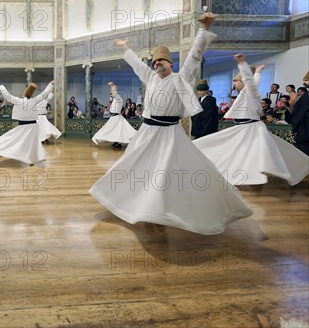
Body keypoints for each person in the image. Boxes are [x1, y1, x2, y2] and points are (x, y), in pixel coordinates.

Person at [89, 13, 252, 235]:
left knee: (167, 172)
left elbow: (194, 57)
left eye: (161, 61)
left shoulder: (180, 77)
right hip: (147, 131)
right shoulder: (151, 77)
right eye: (155, 61)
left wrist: (203, 31)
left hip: (170, 133)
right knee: (134, 166)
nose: (157, 64)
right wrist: (125, 48)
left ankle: (164, 209)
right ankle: (133, 202)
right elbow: (138, 65)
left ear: (170, 63)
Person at [194, 55, 308, 186]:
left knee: (258, 153)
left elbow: (251, 81)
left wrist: (243, 64)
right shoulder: (245, 93)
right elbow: (254, 81)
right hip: (242, 128)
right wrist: (258, 72)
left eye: (236, 81)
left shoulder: (251, 92)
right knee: (223, 147)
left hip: (251, 128)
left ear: (243, 81)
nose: (234, 83)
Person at [0, 81, 54, 166]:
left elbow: (8, 96)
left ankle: (1, 150)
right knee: (32, 143)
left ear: (24, 94)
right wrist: (50, 84)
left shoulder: (19, 101)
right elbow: (44, 94)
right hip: (33, 126)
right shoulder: (34, 100)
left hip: (23, 126)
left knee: (11, 139)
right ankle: (32, 159)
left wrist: (1, 87)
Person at [91, 82, 136, 148]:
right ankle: (116, 142)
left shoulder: (118, 99)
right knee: (114, 130)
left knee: (115, 130)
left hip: (116, 117)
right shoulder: (115, 99)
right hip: (114, 117)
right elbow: (111, 95)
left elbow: (115, 93)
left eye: (112, 93)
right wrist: (112, 88)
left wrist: (113, 86)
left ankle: (117, 143)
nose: (111, 95)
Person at [291, 72, 309, 156]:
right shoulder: (305, 95)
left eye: (306, 80)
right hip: (303, 130)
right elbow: (297, 110)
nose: (304, 83)